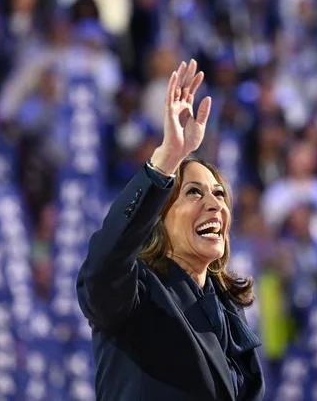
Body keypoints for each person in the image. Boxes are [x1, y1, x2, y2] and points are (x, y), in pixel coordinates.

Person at [76, 60, 265, 400]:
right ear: (158, 217)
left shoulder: (229, 312)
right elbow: (102, 269)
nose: (215, 205)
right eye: (194, 192)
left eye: (219, 193)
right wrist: (166, 160)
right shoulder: (137, 295)